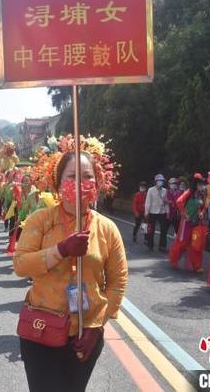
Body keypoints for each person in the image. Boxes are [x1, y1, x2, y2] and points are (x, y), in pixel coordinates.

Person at [14, 151, 127, 392]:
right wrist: (61, 250)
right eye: (72, 176)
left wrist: (97, 327)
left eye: (87, 176)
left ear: (97, 183)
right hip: (41, 330)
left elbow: (117, 281)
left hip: (85, 336)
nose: (80, 183)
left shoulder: (107, 229)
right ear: (57, 182)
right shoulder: (40, 221)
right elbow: (21, 265)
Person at [169, 174, 207, 272]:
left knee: (196, 244)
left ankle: (197, 266)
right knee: (182, 242)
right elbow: (179, 202)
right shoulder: (189, 193)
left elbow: (204, 207)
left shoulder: (202, 195)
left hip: (197, 222)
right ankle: (174, 259)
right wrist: (185, 214)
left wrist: (202, 213)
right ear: (196, 184)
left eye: (202, 184)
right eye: (200, 184)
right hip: (186, 222)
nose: (201, 186)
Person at [144, 174, 169, 252]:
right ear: (156, 181)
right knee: (151, 229)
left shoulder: (165, 190)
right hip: (152, 212)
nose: (160, 182)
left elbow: (166, 202)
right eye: (159, 181)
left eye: (161, 181)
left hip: (162, 212)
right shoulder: (151, 190)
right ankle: (150, 245)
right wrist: (146, 212)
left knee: (163, 230)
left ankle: (162, 246)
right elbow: (148, 202)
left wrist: (167, 212)